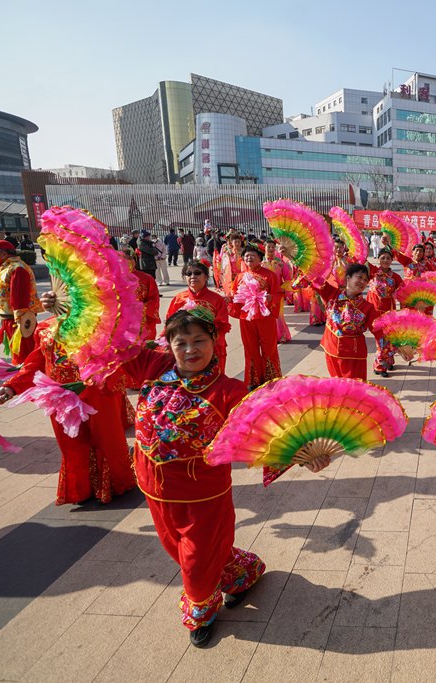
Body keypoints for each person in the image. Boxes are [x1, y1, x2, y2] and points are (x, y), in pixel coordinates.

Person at [124, 309, 313, 646]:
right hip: (153, 487)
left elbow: (265, 431)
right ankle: (242, 574)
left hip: (203, 496)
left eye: (200, 341)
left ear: (215, 342)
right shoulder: (154, 367)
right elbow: (106, 349)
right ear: (168, 345)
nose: (191, 349)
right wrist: (65, 317)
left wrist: (302, 454)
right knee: (179, 551)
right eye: (181, 342)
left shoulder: (228, 391)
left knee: (195, 564)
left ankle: (200, 611)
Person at [0, 308, 136, 507]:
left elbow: (122, 351)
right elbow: (37, 361)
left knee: (106, 440)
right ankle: (81, 489)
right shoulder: (44, 327)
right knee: (71, 444)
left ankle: (115, 484)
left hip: (99, 392)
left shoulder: (102, 322)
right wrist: (11, 386)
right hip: (60, 396)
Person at [227, 245, 282, 389]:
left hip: (265, 318)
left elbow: (278, 293)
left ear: (259, 258)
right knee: (250, 348)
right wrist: (229, 300)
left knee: (269, 349)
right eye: (246, 256)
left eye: (252, 256)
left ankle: (271, 378)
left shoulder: (269, 275)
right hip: (247, 318)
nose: (249, 258)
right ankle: (253, 380)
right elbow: (234, 295)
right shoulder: (240, 276)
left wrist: (271, 298)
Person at [315, 263, 378, 380]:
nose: (362, 282)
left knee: (353, 390)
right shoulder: (331, 293)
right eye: (359, 277)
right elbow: (313, 277)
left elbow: (379, 329)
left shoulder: (367, 307)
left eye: (365, 280)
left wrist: (400, 347)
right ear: (348, 278)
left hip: (353, 355)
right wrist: (292, 255)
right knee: (337, 386)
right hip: (330, 348)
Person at [166, 260, 231, 372]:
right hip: (186, 349)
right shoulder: (178, 299)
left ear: (205, 277)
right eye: (189, 273)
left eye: (197, 273)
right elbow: (169, 325)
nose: (192, 276)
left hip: (211, 348)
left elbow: (222, 326)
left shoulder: (217, 300)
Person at [0, 239, 42, 364]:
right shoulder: (7, 267)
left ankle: (27, 373)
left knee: (24, 349)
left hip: (19, 318)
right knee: (17, 349)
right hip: (9, 316)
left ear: (3, 253)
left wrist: (20, 317)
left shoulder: (17, 268)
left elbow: (19, 295)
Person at [367, 249, 404, 377]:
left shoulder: (395, 277)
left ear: (392, 260)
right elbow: (359, 260)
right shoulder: (372, 271)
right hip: (374, 312)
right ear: (378, 259)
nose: (385, 260)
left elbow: (404, 292)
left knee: (389, 339)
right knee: (381, 340)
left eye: (388, 258)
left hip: (389, 312)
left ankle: (388, 360)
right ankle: (379, 366)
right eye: (383, 257)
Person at [122, 249, 161, 341]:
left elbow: (154, 299)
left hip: (144, 320)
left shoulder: (147, 278)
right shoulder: (113, 278)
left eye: (131, 258)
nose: (128, 261)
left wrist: (139, 309)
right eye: (124, 259)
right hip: (122, 321)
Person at [262, 240, 293, 344]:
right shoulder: (261, 263)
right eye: (268, 247)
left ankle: (282, 335)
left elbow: (288, 277)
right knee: (267, 315)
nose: (271, 249)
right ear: (264, 247)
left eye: (272, 247)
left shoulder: (280, 262)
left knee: (278, 314)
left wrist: (283, 288)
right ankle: (271, 336)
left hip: (277, 293)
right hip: (264, 294)